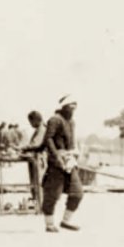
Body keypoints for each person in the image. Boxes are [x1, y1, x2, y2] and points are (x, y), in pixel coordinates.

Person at [42, 95, 83, 232]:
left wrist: (73, 155)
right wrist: (57, 157)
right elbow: (48, 139)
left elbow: (72, 142)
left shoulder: (72, 122)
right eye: (71, 106)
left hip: (69, 160)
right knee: (52, 194)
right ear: (63, 106)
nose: (73, 109)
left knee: (77, 193)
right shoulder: (55, 120)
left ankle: (66, 221)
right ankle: (49, 224)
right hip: (56, 162)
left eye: (75, 106)